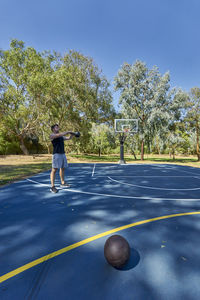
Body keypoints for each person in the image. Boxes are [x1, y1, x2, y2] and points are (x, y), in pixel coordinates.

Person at [50, 124, 74, 193]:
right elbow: (58, 135)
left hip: (62, 154)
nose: (57, 128)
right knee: (54, 170)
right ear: (53, 129)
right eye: (56, 127)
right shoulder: (52, 135)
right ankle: (52, 187)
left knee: (63, 168)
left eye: (58, 127)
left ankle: (62, 183)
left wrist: (72, 134)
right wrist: (68, 131)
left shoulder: (61, 136)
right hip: (56, 154)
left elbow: (69, 138)